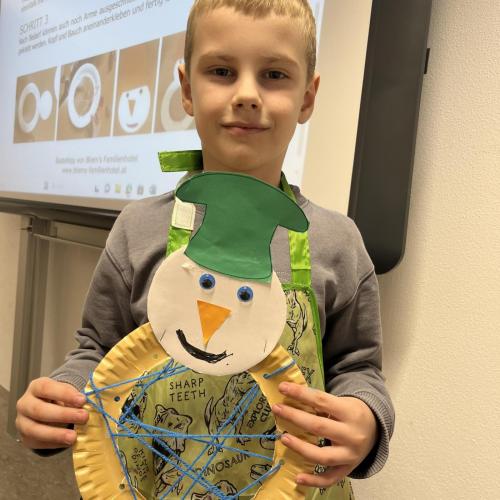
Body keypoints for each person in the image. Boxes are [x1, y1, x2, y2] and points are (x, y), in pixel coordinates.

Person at [16, 0, 394, 497]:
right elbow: (97, 348)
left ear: (307, 98)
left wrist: (366, 419)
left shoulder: (339, 242)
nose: (247, 94)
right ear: (188, 90)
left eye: (274, 75)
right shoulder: (137, 228)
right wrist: (63, 397)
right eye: (221, 71)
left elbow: (357, 367)